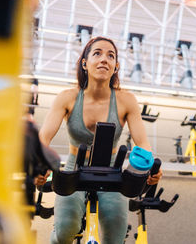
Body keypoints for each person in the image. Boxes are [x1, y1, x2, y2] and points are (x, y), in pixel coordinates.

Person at [39, 36, 162, 244]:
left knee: (115, 236)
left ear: (116, 67)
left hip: (111, 172)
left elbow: (143, 145)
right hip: (73, 169)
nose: (104, 59)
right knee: (65, 231)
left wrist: (151, 169)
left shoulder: (126, 100)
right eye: (97, 53)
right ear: (85, 63)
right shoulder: (67, 97)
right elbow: (43, 139)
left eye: (111, 55)